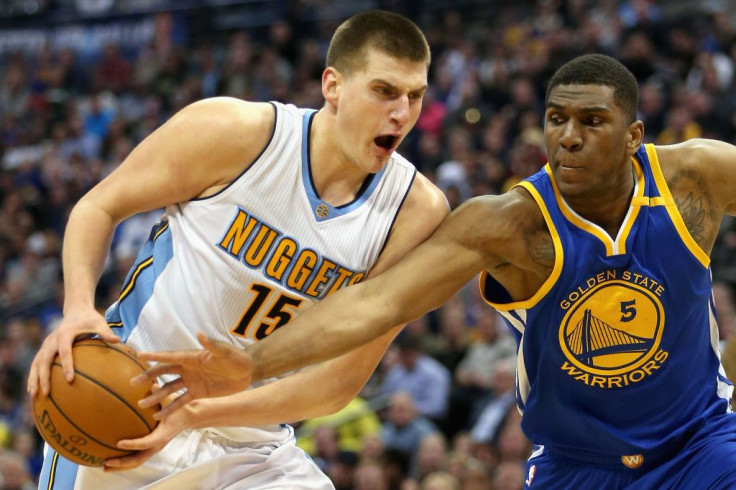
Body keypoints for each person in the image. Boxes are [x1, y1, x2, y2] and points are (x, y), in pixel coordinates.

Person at [134, 53, 736, 488]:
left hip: (702, 444)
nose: (568, 139)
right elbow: (378, 303)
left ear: (634, 135)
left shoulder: (697, 178)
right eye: (557, 120)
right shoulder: (506, 223)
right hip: (577, 464)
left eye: (592, 123)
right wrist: (256, 363)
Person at [26, 10, 449, 489]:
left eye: (415, 96)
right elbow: (99, 207)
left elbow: (338, 384)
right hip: (127, 408)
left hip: (255, 447)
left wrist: (201, 413)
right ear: (333, 86)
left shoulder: (415, 212)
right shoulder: (236, 133)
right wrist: (79, 307)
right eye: (384, 91)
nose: (402, 113)